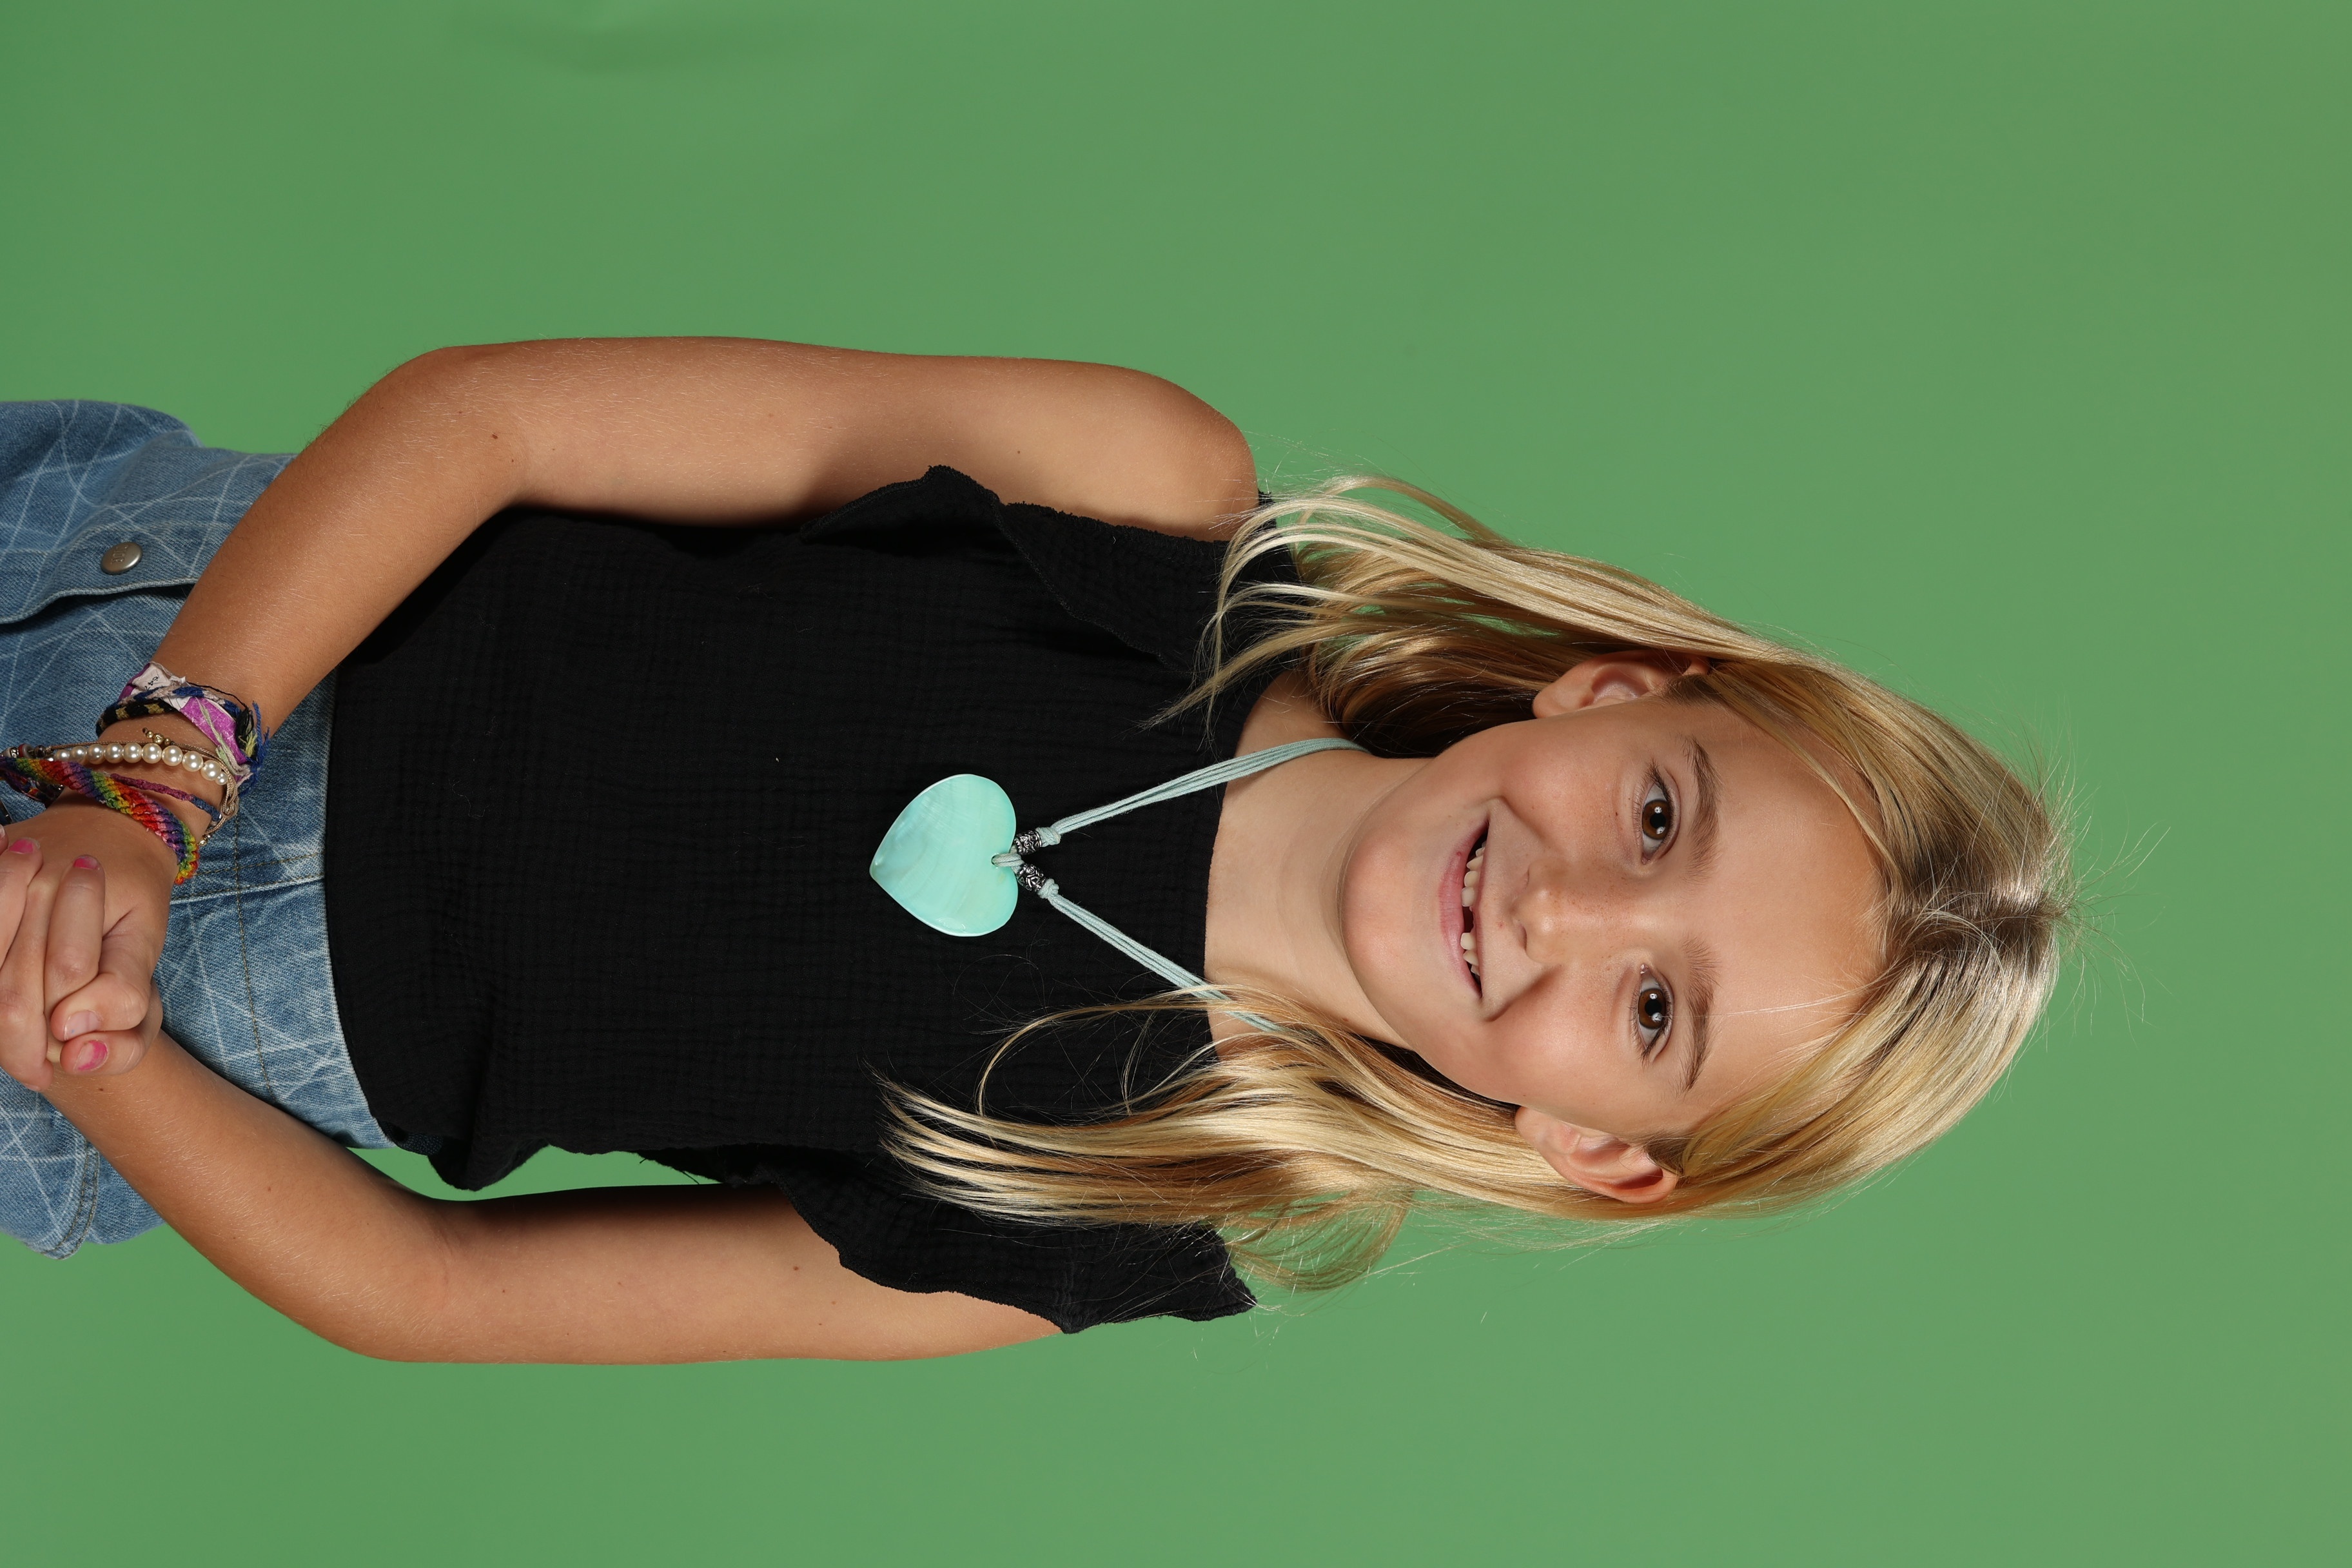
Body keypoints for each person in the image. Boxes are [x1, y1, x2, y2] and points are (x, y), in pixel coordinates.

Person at [0, 338, 2070, 1362]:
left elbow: (430, 1288)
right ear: (1609, 696)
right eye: (1659, 817)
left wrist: (79, 1036)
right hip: (130, 627)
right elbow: (495, 422)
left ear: (1601, 1146)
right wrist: (152, 784)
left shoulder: (1096, 1213)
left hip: (99, 1052)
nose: (1567, 906)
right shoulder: (1144, 506)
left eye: (1653, 1007)